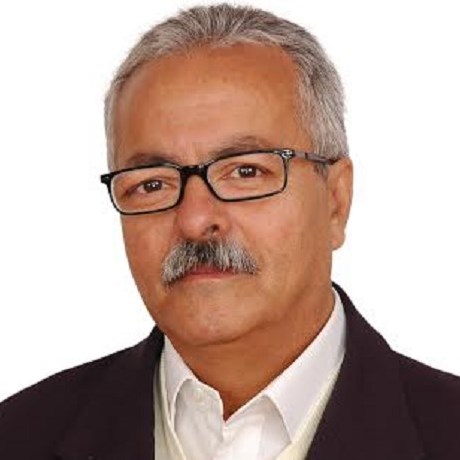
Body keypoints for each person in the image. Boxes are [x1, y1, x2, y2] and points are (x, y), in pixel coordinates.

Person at [1, 3, 459, 459]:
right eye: (152, 184)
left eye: (246, 172)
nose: (195, 220)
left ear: (336, 201)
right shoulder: (19, 436)